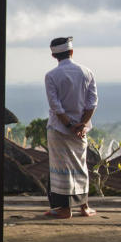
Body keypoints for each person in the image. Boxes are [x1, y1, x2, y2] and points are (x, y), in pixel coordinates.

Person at [44, 36, 98, 218]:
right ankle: (84, 207)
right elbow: (92, 103)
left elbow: (55, 106)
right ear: (72, 52)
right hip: (80, 130)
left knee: (60, 169)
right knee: (80, 166)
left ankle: (64, 209)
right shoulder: (87, 72)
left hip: (59, 129)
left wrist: (69, 125)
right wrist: (81, 124)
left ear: (53, 56)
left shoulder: (51, 76)